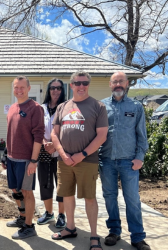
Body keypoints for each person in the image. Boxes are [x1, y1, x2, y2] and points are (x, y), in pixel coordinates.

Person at [50, 71, 108, 250]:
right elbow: (54, 133)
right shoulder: (63, 107)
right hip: (64, 161)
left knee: (90, 198)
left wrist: (81, 154)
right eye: (77, 83)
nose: (81, 86)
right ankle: (70, 227)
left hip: (87, 160)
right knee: (67, 195)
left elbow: (102, 136)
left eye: (85, 83)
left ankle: (93, 235)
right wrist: (62, 153)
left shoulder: (98, 106)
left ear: (88, 85)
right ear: (72, 85)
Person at [99, 72, 150, 250]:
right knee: (110, 198)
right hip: (106, 161)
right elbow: (95, 133)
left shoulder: (136, 106)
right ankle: (114, 231)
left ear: (127, 83)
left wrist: (140, 158)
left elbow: (142, 135)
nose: (118, 84)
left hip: (129, 162)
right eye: (115, 82)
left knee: (132, 199)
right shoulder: (102, 106)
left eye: (121, 81)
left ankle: (137, 237)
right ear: (110, 85)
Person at [3, 76, 44, 239]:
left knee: (27, 192)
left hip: (27, 159)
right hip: (12, 158)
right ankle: (22, 217)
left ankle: (29, 226)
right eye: (16, 87)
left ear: (28, 88)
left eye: (22, 87)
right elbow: (10, 132)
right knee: (15, 190)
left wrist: (34, 161)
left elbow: (39, 136)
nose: (18, 90)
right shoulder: (12, 107)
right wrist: (6, 154)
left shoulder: (35, 108)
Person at [37, 79, 66, 228]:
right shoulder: (41, 108)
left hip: (61, 152)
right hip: (44, 152)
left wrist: (55, 146)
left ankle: (62, 215)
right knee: (45, 183)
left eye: (59, 88)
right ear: (48, 90)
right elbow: (36, 128)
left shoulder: (67, 108)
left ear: (62, 90)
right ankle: (49, 213)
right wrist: (44, 142)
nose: (55, 91)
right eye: (53, 88)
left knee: (61, 185)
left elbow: (68, 131)